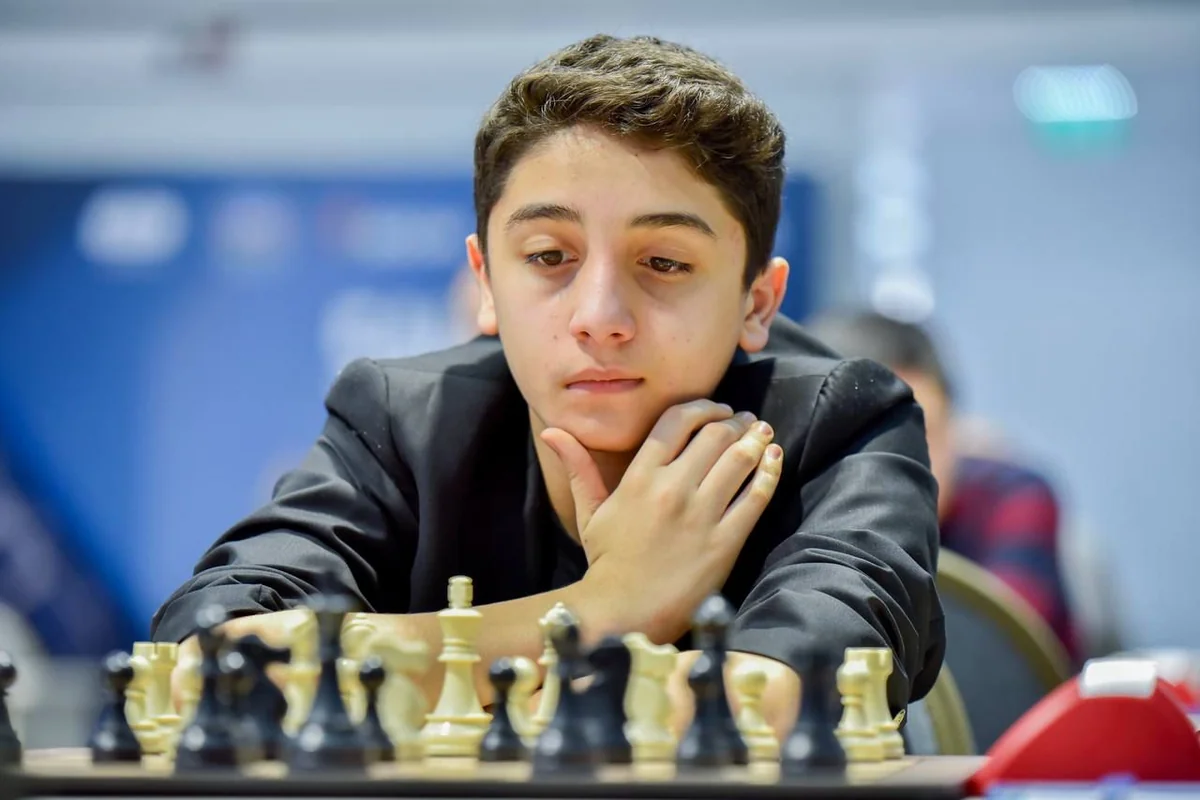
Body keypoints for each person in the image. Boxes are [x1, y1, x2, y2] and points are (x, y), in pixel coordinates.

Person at [151, 35, 945, 735]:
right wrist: (605, 607)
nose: (600, 317)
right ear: (486, 283)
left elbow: (796, 697)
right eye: (548, 257)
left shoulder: (842, 423)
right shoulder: (400, 421)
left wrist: (443, 676)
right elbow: (206, 666)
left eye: (664, 262)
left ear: (757, 302)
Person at [805, 310, 1079, 662]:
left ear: (955, 430)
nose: (904, 464)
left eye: (922, 433)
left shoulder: (1014, 501)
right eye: (870, 440)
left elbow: (994, 659)